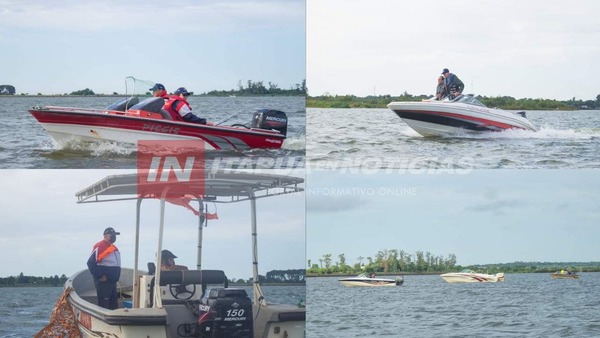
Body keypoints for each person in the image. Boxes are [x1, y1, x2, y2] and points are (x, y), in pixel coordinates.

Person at [87, 227, 121, 310]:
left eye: (114, 235)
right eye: (112, 235)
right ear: (105, 235)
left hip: (112, 281)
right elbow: (90, 263)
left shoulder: (113, 247)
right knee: (104, 305)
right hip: (104, 282)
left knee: (113, 305)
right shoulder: (100, 246)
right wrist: (100, 275)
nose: (113, 237)